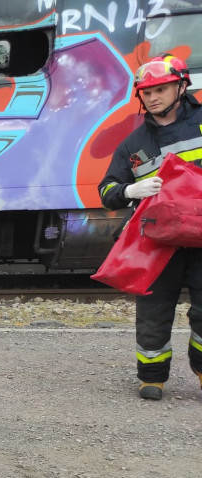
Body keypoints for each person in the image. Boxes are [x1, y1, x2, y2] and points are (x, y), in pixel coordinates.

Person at [98, 53, 202, 400]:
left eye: (161, 89)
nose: (153, 97)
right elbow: (107, 192)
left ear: (181, 87)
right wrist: (130, 190)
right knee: (153, 314)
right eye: (146, 92)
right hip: (159, 243)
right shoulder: (134, 145)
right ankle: (152, 377)